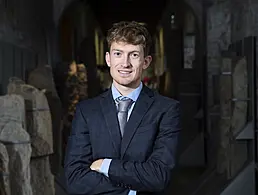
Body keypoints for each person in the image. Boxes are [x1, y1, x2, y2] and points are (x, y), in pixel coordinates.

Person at [64, 21, 181, 195]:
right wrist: (132, 190)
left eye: (134, 55)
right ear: (108, 59)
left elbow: (159, 175)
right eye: (118, 53)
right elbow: (74, 179)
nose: (125, 63)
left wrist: (105, 165)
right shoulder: (87, 111)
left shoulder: (166, 110)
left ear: (146, 61)